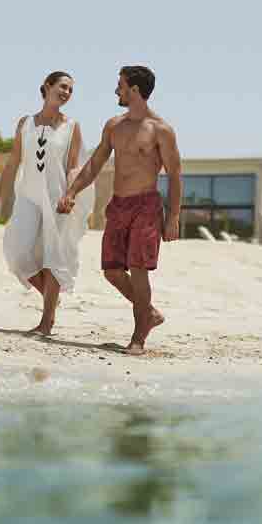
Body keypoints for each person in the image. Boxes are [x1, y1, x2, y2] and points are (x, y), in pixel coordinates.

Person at [58, 65, 181, 355]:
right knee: (112, 271)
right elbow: (95, 163)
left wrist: (173, 217)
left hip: (146, 207)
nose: (117, 90)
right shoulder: (114, 125)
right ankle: (148, 312)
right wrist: (73, 191)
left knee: (138, 270)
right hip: (118, 205)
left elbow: (175, 174)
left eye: (121, 86)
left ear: (135, 90)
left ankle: (138, 337)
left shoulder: (161, 130)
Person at [0, 71, 86, 336]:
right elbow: (12, 163)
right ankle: (51, 299)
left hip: (58, 199)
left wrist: (71, 193)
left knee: (53, 257)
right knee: (17, 254)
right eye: (62, 87)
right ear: (47, 87)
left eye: (70, 90)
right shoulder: (25, 123)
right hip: (27, 197)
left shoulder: (71, 126)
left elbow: (74, 166)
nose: (66, 93)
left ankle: (47, 321)